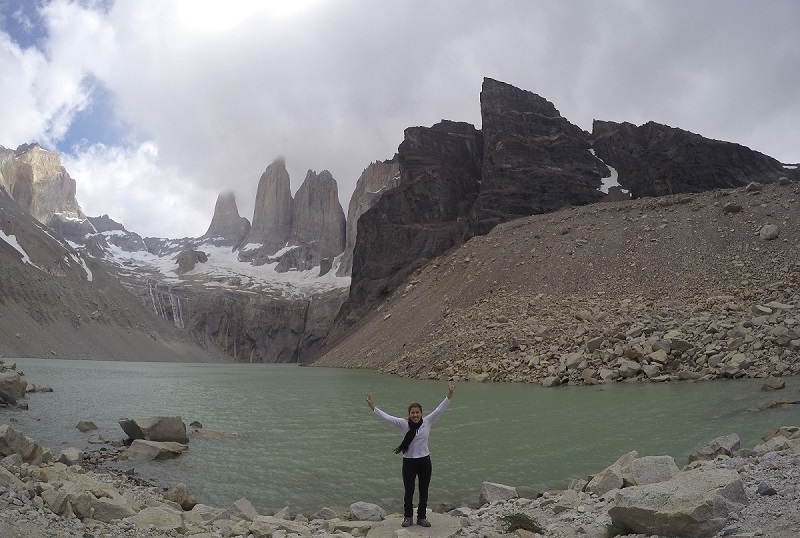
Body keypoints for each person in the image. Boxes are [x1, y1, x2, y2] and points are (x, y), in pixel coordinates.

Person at [366, 381, 454, 528]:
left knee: (424, 490)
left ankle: (421, 517)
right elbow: (387, 418)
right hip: (409, 462)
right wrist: (373, 407)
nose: (415, 415)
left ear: (421, 413)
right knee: (409, 491)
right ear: (409, 414)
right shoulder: (403, 424)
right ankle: (408, 517)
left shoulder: (428, 421)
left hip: (425, 461)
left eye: (417, 412)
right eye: (412, 413)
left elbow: (440, 409)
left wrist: (449, 395)